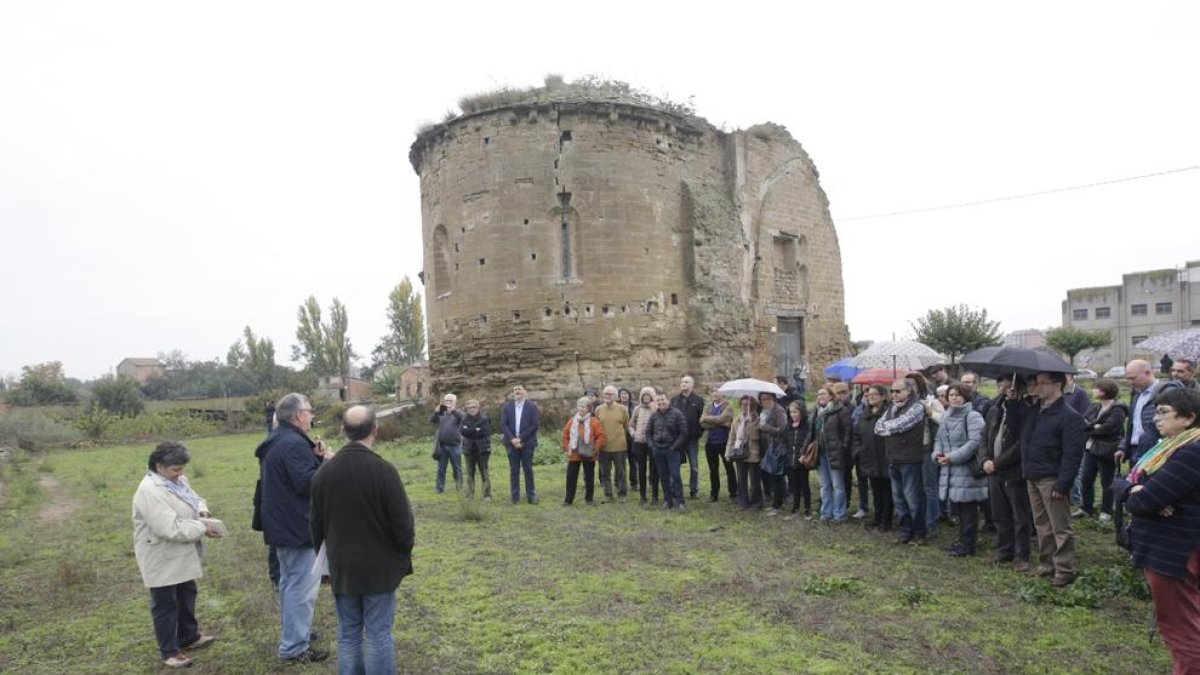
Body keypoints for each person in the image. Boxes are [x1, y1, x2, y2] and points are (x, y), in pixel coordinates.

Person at [310, 406, 414, 675]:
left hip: (342, 566)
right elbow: (403, 527)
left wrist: (327, 562)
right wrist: (401, 557)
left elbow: (316, 527)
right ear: (375, 431)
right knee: (378, 634)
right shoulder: (383, 471)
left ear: (343, 431)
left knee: (348, 634)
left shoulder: (323, 474)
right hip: (379, 568)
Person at [1112, 388, 1200, 673]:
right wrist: (1136, 488)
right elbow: (1129, 482)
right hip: (1171, 546)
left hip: (1174, 551)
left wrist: (1139, 492)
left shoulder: (1190, 453)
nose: (1155, 420)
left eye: (1164, 413)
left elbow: (1144, 501)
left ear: (1188, 418)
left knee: (1181, 629)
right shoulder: (1167, 448)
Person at [259, 392, 333, 664]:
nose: (313, 415)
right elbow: (308, 484)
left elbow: (295, 478)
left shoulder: (281, 439)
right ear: (298, 415)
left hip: (283, 523)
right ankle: (294, 648)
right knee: (301, 589)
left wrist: (313, 457)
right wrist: (325, 463)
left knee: (291, 586)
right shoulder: (292, 444)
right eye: (310, 410)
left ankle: (296, 635)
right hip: (296, 527)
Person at [133, 442, 220, 669]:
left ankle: (189, 637)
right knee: (165, 603)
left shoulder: (177, 481)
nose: (180, 474)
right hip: (161, 555)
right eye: (176, 469)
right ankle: (169, 651)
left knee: (186, 594)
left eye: (182, 469)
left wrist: (201, 510)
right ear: (159, 466)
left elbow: (194, 498)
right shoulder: (149, 491)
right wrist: (202, 528)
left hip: (181, 552)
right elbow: (169, 528)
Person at [1021, 372, 1086, 587]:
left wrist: (1063, 483)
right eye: (1035, 383)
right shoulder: (1035, 411)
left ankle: (1064, 569)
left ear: (1057, 384)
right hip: (1033, 474)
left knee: (1060, 526)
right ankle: (1047, 563)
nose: (1037, 387)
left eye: (1042, 383)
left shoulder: (1069, 416)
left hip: (1052, 477)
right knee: (1042, 524)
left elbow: (1072, 454)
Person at [981, 375, 1035, 573]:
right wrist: (985, 459)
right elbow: (984, 435)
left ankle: (1022, 556)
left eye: (1007, 384)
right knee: (999, 513)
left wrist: (997, 462)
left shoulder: (1027, 410)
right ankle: (1004, 550)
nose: (1002, 387)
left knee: (1020, 516)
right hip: (993, 470)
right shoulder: (995, 409)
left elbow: (1021, 443)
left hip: (1014, 471)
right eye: (1000, 384)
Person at [935, 383, 988, 556]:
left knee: (969, 510)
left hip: (966, 470)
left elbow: (975, 443)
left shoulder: (973, 416)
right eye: (951, 395)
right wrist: (937, 455)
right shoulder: (946, 416)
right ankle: (962, 541)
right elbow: (939, 440)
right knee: (958, 509)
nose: (954, 398)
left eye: (958, 395)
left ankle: (968, 545)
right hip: (950, 469)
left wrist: (953, 457)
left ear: (965, 397)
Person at [875, 378, 930, 545]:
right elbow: (878, 427)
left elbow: (902, 424)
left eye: (897, 391)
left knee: (913, 498)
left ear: (908, 391)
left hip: (911, 459)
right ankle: (906, 531)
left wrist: (889, 427)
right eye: (892, 391)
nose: (894, 394)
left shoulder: (917, 407)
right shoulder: (891, 408)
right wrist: (890, 427)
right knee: (898, 499)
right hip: (893, 458)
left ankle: (920, 533)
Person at [1076, 378, 1127, 521]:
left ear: (1104, 391)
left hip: (1107, 449)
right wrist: (1094, 426)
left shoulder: (1118, 409)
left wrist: (1091, 427)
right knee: (1086, 479)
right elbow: (1083, 421)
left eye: (1096, 388)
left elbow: (1108, 428)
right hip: (1091, 448)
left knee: (1107, 481)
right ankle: (1086, 508)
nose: (1093, 390)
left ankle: (1106, 511)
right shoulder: (1095, 406)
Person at [1121, 359, 1182, 466]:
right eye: (1128, 379)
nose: (1130, 382)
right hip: (1136, 448)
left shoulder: (1167, 391)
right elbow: (1133, 424)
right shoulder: (1136, 394)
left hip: (1156, 449)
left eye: (1133, 378)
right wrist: (1123, 447)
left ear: (1148, 373)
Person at [853, 385, 893, 532]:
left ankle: (886, 521)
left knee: (887, 491)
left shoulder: (889, 413)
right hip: (868, 457)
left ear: (883, 396)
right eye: (869, 394)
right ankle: (877, 517)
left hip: (885, 457)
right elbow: (856, 433)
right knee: (875, 490)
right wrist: (858, 450)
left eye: (875, 394)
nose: (871, 397)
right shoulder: (865, 413)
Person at [811, 385, 852, 522]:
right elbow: (813, 432)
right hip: (821, 453)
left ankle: (839, 514)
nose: (820, 397)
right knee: (824, 485)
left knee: (838, 485)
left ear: (831, 396)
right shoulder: (819, 412)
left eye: (823, 394)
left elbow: (848, 431)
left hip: (835, 453)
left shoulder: (841, 410)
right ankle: (826, 512)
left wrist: (843, 448)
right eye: (818, 394)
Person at [562, 396, 607, 505]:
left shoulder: (594, 421)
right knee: (571, 477)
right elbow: (565, 435)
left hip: (588, 454)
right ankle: (568, 500)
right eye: (580, 406)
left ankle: (589, 499)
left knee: (589, 477)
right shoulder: (572, 421)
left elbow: (601, 436)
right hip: (574, 453)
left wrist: (595, 449)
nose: (582, 409)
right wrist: (567, 447)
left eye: (584, 407)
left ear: (589, 409)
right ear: (577, 407)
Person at [649, 392, 689, 510]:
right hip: (658, 450)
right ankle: (668, 500)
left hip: (672, 450)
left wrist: (674, 447)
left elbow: (683, 432)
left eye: (663, 400)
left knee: (675, 475)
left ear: (668, 401)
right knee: (663, 477)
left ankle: (681, 501)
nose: (661, 402)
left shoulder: (677, 414)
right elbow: (648, 432)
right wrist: (652, 446)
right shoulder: (654, 416)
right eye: (658, 401)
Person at [501, 384, 541, 504]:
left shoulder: (532, 406)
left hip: (527, 443)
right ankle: (515, 497)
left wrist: (521, 439)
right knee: (514, 470)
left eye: (519, 389)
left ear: (525, 391)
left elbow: (535, 425)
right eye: (515, 390)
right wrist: (513, 439)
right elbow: (503, 424)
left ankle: (531, 496)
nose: (517, 391)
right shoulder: (507, 407)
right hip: (511, 443)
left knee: (528, 469)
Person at [671, 375, 706, 500]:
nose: (683, 384)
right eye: (682, 382)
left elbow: (703, 419)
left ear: (692, 385)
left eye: (686, 382)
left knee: (694, 466)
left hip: (692, 439)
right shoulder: (674, 400)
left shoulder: (698, 401)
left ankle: (693, 490)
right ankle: (675, 490)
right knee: (675, 466)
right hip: (677, 439)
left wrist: (698, 433)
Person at [594, 385, 630, 503]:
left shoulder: (622, 409)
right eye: (605, 394)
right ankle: (608, 495)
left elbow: (626, 426)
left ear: (615, 396)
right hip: (604, 447)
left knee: (621, 472)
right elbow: (596, 427)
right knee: (605, 473)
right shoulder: (598, 409)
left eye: (610, 394)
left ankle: (622, 494)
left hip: (619, 446)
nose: (607, 396)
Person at [699, 389, 736, 502]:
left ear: (722, 394)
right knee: (713, 470)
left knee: (729, 468)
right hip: (710, 442)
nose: (715, 394)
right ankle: (714, 494)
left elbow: (722, 418)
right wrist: (721, 423)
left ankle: (733, 493)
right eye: (713, 392)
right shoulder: (708, 406)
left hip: (725, 442)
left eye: (717, 392)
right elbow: (702, 422)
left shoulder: (728, 406)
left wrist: (709, 419)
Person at [727, 395, 762, 510]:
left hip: (753, 453)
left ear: (752, 406)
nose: (744, 407)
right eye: (742, 404)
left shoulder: (757, 419)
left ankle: (756, 502)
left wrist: (751, 424)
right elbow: (732, 437)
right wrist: (728, 452)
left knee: (754, 480)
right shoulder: (738, 419)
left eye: (747, 404)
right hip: (739, 452)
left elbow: (756, 437)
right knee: (741, 479)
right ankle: (743, 502)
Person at [759, 392, 790, 516]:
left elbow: (782, 430)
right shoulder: (764, 411)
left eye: (768, 399)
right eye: (763, 399)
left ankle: (777, 504)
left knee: (777, 476)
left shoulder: (779, 411)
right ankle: (778, 500)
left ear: (774, 399)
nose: (765, 401)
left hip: (777, 447)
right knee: (772, 475)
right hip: (767, 446)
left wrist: (764, 427)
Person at [629, 387, 659, 504]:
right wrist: (633, 434)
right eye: (644, 395)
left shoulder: (656, 408)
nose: (646, 397)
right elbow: (630, 424)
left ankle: (655, 496)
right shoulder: (637, 409)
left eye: (648, 395)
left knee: (654, 469)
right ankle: (643, 496)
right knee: (641, 469)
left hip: (653, 443)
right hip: (639, 442)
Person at [782, 400, 812, 520]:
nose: (793, 414)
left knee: (804, 484)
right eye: (791, 412)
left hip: (802, 460)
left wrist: (803, 454)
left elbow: (808, 441)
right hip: (791, 459)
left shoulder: (807, 425)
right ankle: (794, 509)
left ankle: (807, 509)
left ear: (802, 411)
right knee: (794, 485)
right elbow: (785, 441)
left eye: (795, 412)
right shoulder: (788, 426)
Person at [430, 393, 465, 494]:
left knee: (457, 468)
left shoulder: (458, 413)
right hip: (442, 446)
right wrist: (436, 412)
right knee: (441, 468)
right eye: (446, 401)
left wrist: (453, 411)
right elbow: (431, 420)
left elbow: (463, 418)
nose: (448, 403)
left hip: (455, 445)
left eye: (451, 401)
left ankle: (459, 487)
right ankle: (439, 488)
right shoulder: (441, 413)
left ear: (455, 402)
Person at [460, 399, 493, 500]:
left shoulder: (484, 418)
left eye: (474, 407)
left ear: (478, 408)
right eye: (470, 408)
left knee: (484, 472)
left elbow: (484, 432)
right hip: (469, 449)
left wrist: (470, 430)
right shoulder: (464, 419)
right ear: (467, 409)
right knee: (470, 473)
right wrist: (475, 430)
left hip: (482, 449)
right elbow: (463, 431)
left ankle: (487, 495)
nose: (472, 409)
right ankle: (470, 495)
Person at [618, 388, 638, 490]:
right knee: (620, 461)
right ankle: (620, 483)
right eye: (621, 394)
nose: (623, 395)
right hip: (620, 437)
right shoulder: (616, 407)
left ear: (629, 395)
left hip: (631, 437)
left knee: (633, 461)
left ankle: (634, 482)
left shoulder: (634, 406)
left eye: (625, 393)